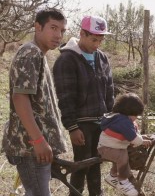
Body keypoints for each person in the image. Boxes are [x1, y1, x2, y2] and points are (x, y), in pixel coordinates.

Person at [1, 8, 67, 196]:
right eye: (53, 28)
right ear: (38, 27)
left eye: (62, 30)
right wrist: (38, 140)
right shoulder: (30, 53)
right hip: (30, 147)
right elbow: (20, 98)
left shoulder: (39, 54)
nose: (58, 35)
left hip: (35, 147)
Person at [53, 15, 114, 196]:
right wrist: (72, 127)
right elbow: (65, 97)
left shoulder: (101, 58)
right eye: (94, 39)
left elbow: (109, 90)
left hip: (101, 121)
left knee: (96, 161)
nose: (97, 44)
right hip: (81, 123)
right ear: (81, 34)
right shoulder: (67, 60)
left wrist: (110, 119)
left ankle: (97, 193)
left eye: (101, 40)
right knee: (81, 164)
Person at [98, 93, 152, 196]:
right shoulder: (123, 121)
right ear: (129, 112)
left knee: (122, 155)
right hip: (106, 149)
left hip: (110, 147)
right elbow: (133, 138)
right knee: (122, 157)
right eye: (136, 115)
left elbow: (132, 134)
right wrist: (142, 141)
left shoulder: (119, 118)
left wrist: (142, 137)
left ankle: (112, 176)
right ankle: (123, 182)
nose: (136, 118)